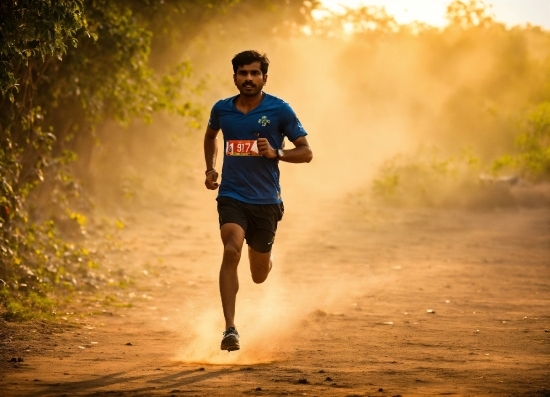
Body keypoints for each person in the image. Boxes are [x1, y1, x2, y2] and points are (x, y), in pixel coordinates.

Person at [203, 50, 313, 352]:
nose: (248, 78)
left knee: (259, 275)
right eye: (242, 73)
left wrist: (276, 152)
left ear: (264, 77)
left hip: (266, 201)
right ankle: (230, 329)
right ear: (235, 76)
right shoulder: (222, 109)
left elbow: (306, 152)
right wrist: (211, 169)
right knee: (230, 249)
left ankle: (264, 253)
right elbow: (211, 136)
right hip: (231, 195)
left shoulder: (280, 110)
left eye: (254, 73)